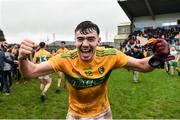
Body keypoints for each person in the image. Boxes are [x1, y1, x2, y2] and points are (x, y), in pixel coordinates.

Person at [18, 21, 169, 119]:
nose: (84, 44)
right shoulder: (64, 58)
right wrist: (22, 59)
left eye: (90, 39)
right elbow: (30, 72)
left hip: (103, 113)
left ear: (99, 41)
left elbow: (142, 65)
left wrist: (158, 57)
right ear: (75, 40)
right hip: (75, 115)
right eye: (80, 39)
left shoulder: (111, 55)